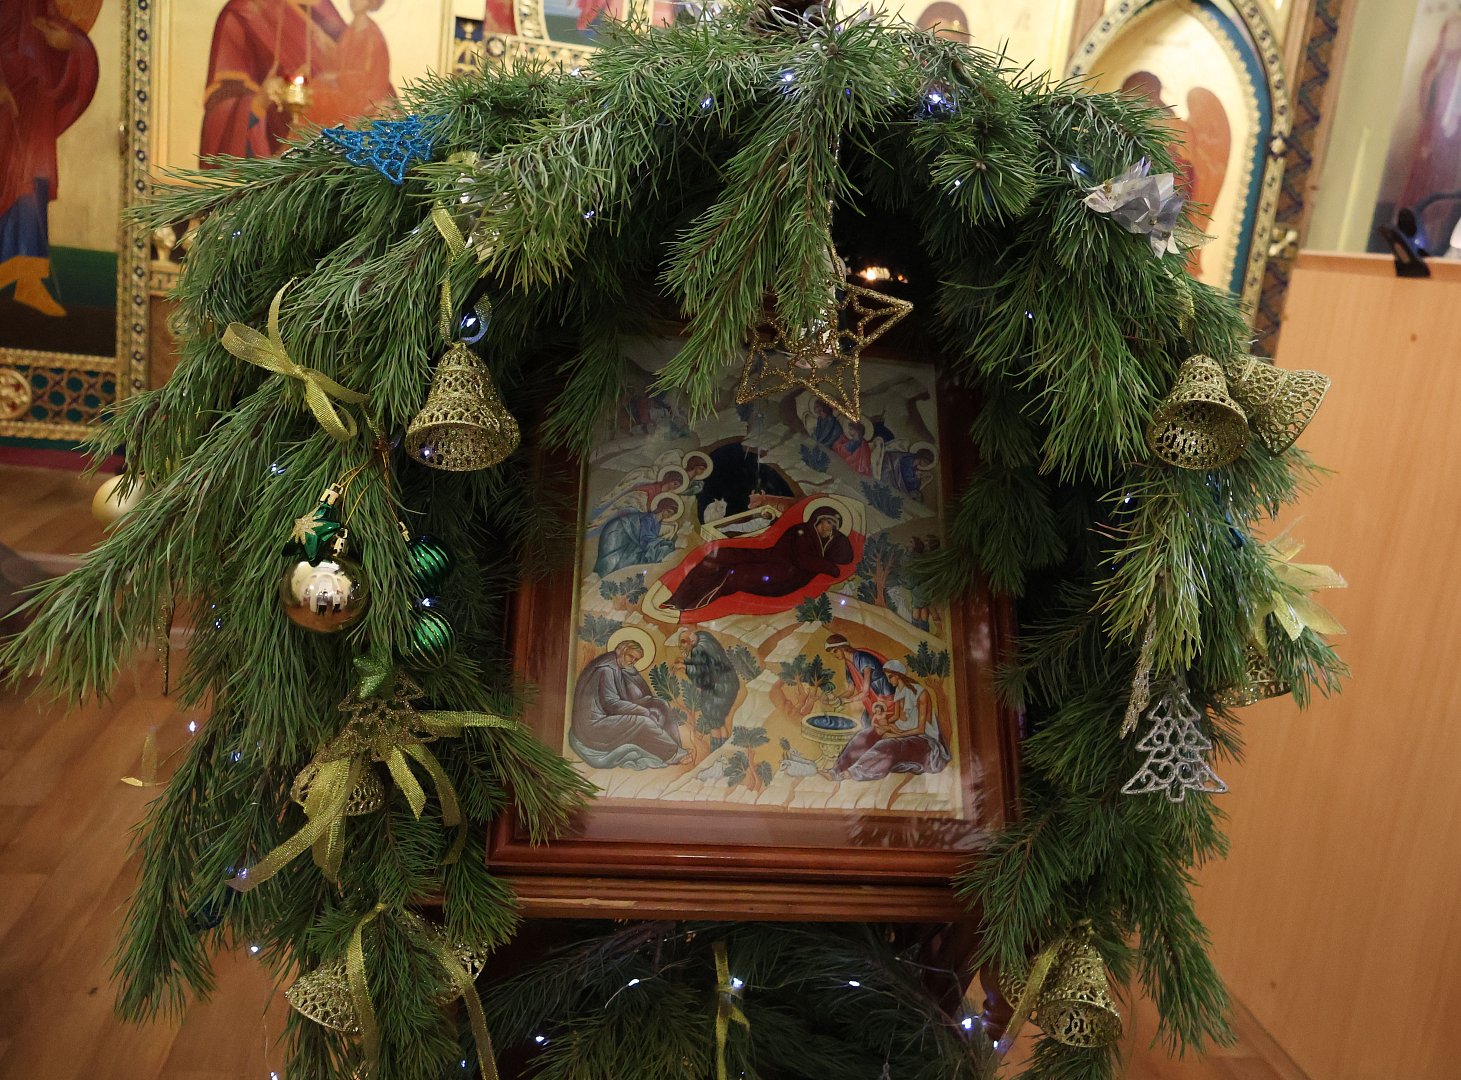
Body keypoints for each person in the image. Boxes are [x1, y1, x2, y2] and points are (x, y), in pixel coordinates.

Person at [0, 0, 99, 317]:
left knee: (34, 180)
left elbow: (61, 30)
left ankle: (29, 281)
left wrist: (68, 43)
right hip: (6, 99)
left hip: (34, 98)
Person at [660, 503, 855, 618]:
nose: (829, 527)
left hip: (782, 577)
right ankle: (678, 598)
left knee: (734, 575)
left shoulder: (826, 546)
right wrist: (830, 567)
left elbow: (810, 561)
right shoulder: (801, 530)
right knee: (721, 555)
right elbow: (799, 556)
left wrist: (831, 566)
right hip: (773, 560)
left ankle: (690, 605)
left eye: (834, 525)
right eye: (828, 521)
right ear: (818, 519)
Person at [570, 637, 687, 770]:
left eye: (636, 660)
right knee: (643, 722)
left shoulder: (617, 665)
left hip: (606, 717)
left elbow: (626, 697)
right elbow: (611, 704)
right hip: (594, 726)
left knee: (660, 703)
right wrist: (644, 711)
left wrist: (649, 705)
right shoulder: (607, 669)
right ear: (621, 651)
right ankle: (673, 754)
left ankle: (677, 746)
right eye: (631, 656)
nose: (632, 661)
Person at [830, 660, 950, 780]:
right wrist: (882, 725)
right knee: (866, 734)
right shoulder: (899, 691)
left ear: (898, 675)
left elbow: (920, 729)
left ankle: (854, 773)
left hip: (923, 740)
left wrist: (896, 734)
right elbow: (896, 717)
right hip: (902, 731)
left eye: (890, 677)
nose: (888, 680)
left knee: (887, 744)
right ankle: (836, 770)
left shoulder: (921, 693)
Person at [675, 627, 739, 734]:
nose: (686, 650)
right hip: (728, 682)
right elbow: (707, 664)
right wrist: (686, 662)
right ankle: (722, 743)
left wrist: (684, 667)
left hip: (718, 687)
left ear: (689, 641)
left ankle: (718, 744)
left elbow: (701, 673)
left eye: (685, 645)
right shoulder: (703, 636)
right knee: (719, 722)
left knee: (713, 720)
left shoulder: (698, 650)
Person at [594, 497, 678, 577]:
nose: (670, 515)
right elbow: (645, 537)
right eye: (669, 511)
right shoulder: (648, 519)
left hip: (639, 544)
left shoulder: (657, 523)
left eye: (672, 514)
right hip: (633, 542)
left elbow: (650, 538)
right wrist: (658, 542)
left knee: (664, 547)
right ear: (662, 508)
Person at [824, 632, 890, 729]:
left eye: (835, 651)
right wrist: (835, 699)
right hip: (873, 698)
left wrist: (847, 701)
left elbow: (865, 692)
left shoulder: (863, 659)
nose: (834, 655)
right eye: (832, 653)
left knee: (871, 723)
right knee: (865, 722)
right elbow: (850, 690)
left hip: (885, 696)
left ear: (843, 647)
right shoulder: (848, 664)